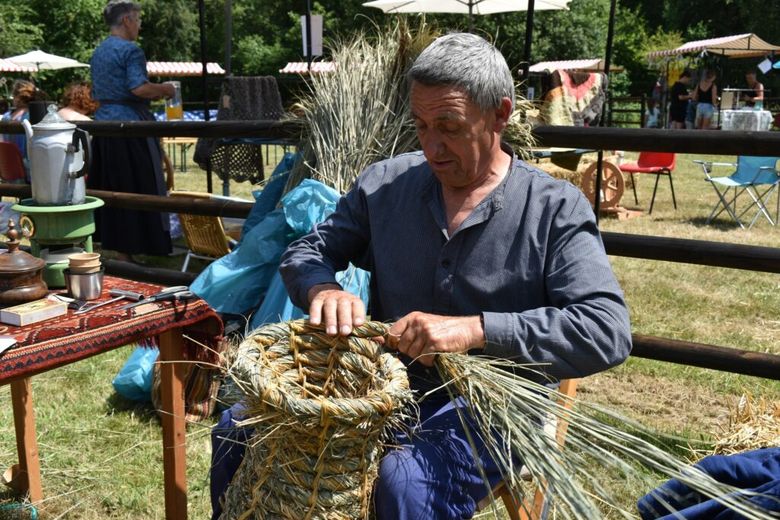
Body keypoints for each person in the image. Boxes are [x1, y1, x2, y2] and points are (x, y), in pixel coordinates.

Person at [276, 33, 632, 519]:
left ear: (500, 114)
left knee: (404, 482)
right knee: (245, 429)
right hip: (384, 388)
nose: (432, 146)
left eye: (449, 126)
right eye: (421, 126)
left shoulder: (553, 209)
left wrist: (476, 329)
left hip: (495, 410)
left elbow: (606, 329)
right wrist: (322, 287)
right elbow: (307, 251)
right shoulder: (386, 185)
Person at [88, 0, 175, 263]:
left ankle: (120, 250)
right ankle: (140, 245)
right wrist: (166, 90)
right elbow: (138, 88)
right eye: (137, 20)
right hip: (130, 127)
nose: (139, 25)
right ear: (126, 20)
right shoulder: (131, 50)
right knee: (140, 186)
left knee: (111, 187)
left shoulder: (98, 52)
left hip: (103, 126)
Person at [1, 79, 37, 175]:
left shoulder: (6, 117)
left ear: (16, 97)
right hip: (29, 169)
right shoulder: (33, 117)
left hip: (8, 168)